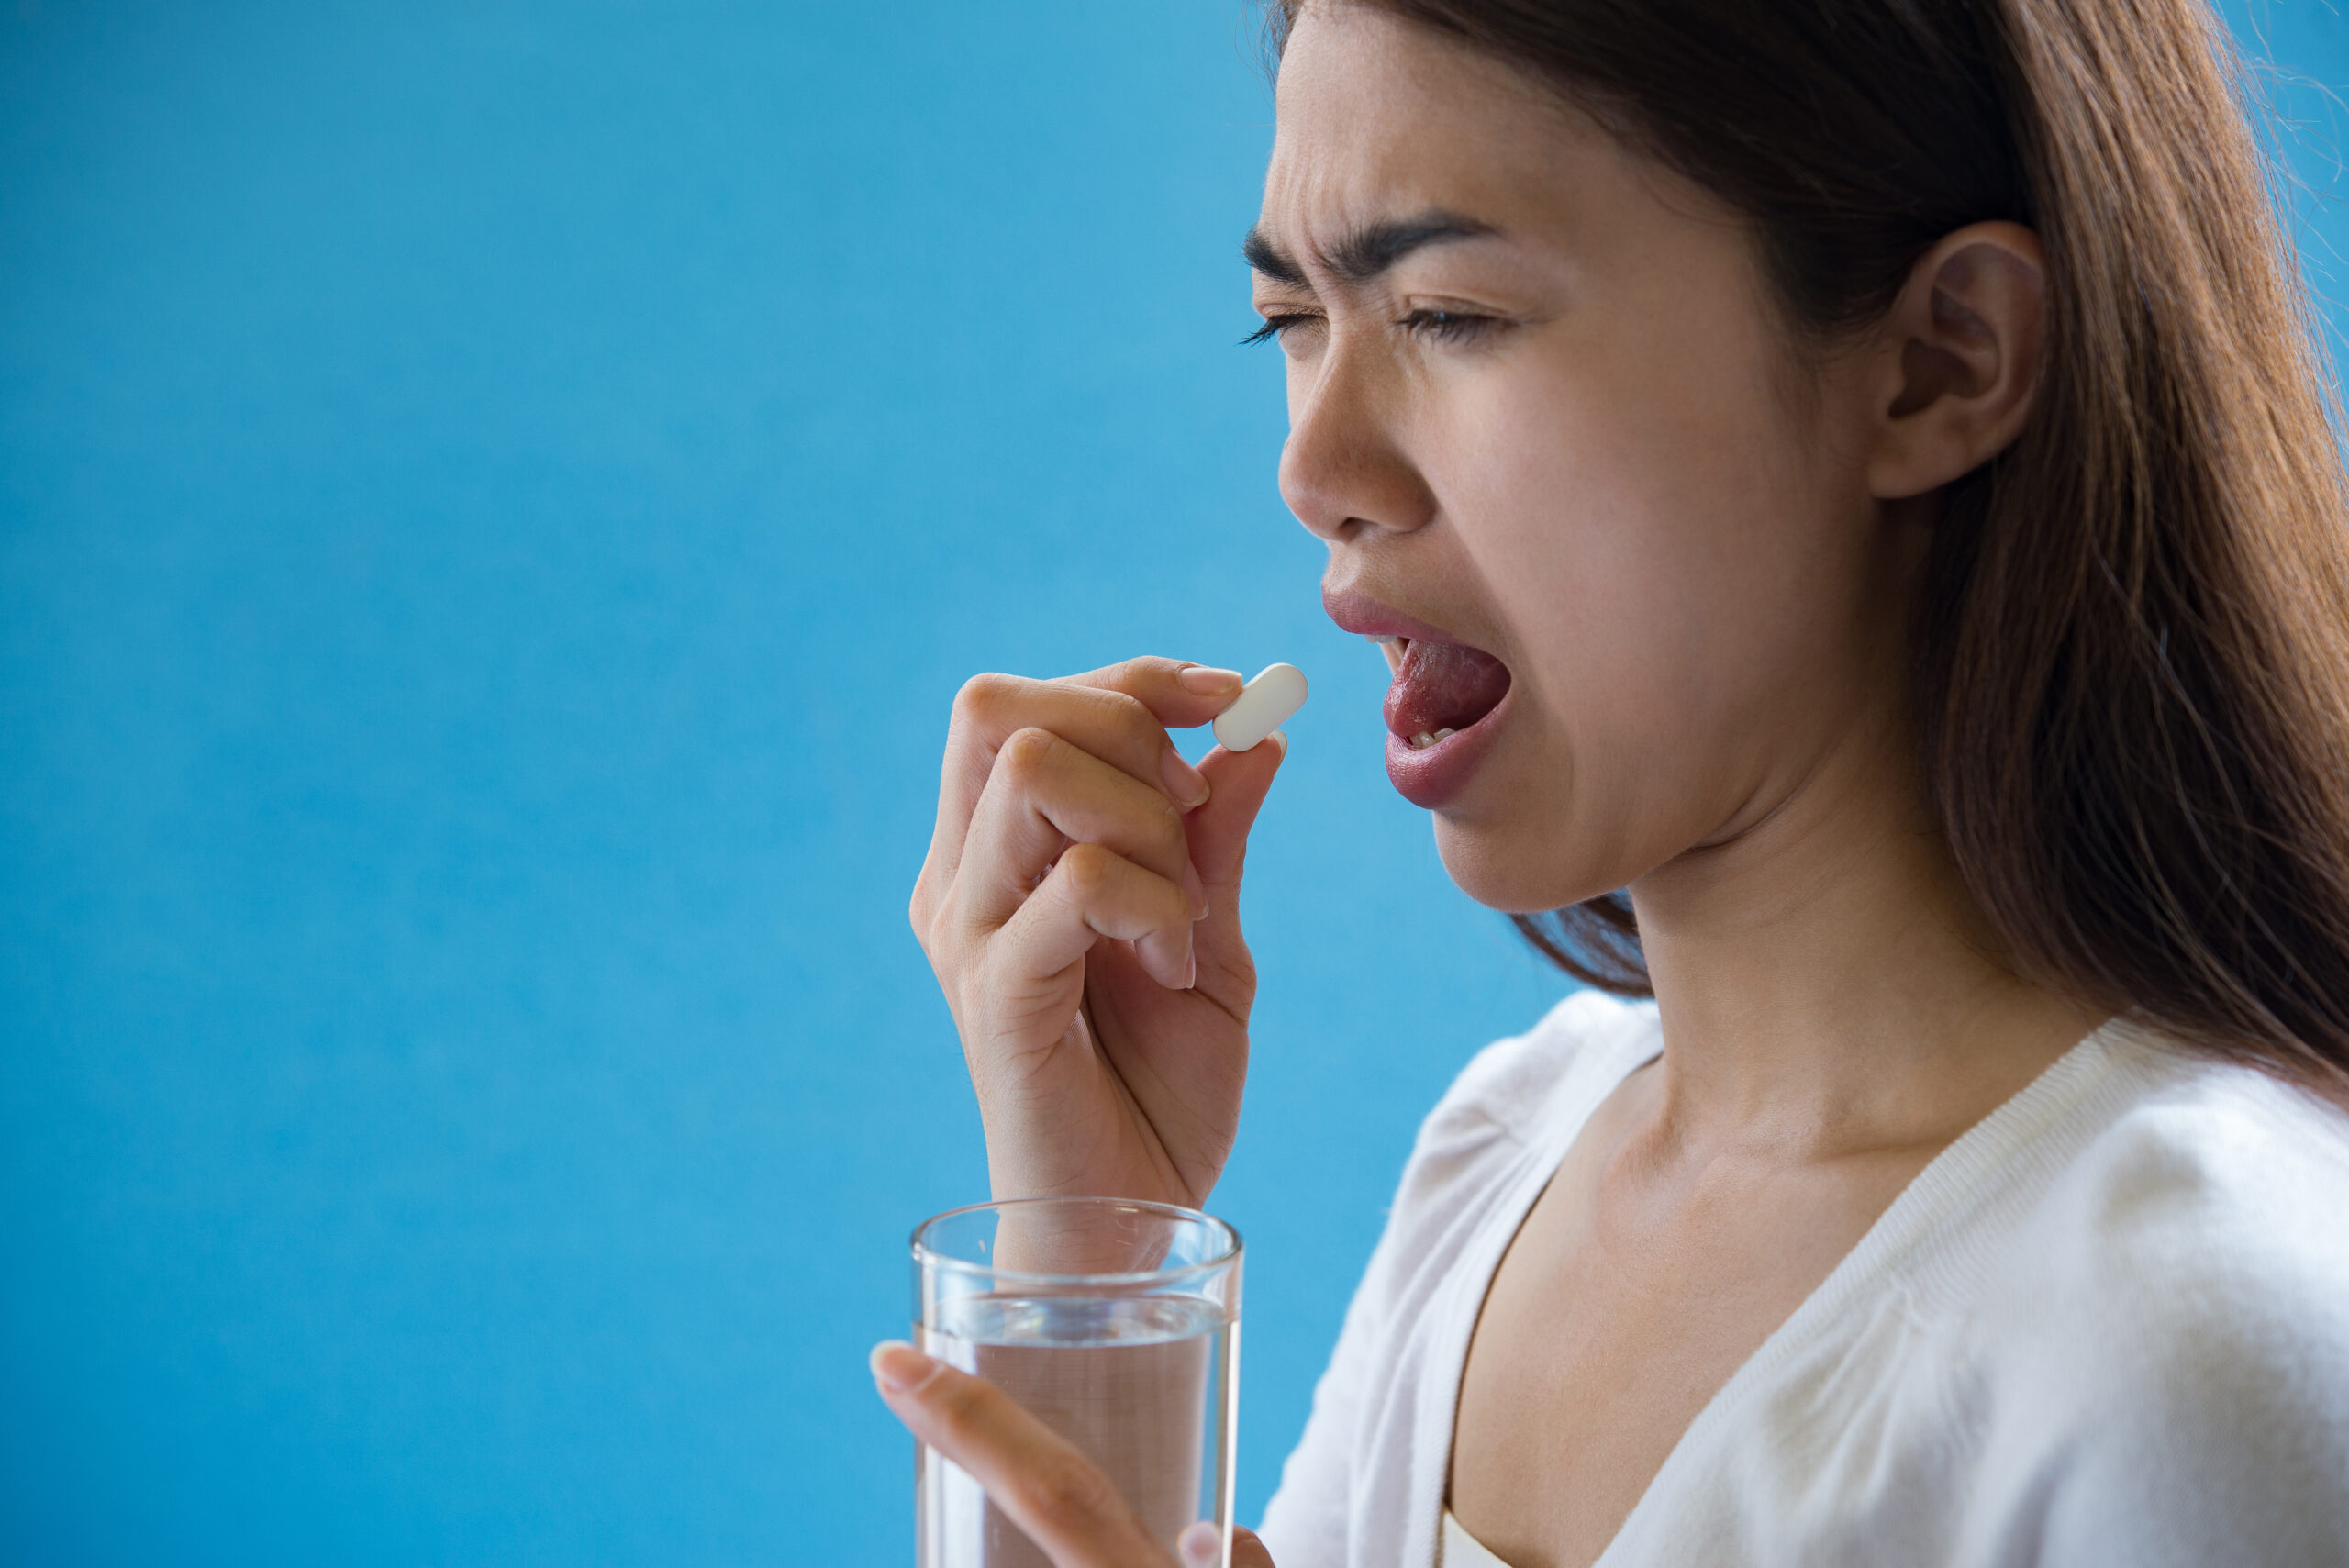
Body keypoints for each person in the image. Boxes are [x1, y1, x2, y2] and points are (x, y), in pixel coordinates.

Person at [872, 0, 2349, 1562]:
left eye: (1447, 312)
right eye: (1290, 321)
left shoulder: (2203, 1339)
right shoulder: (1506, 1155)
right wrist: (1099, 1260)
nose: (1315, 469)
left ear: (1941, 360)